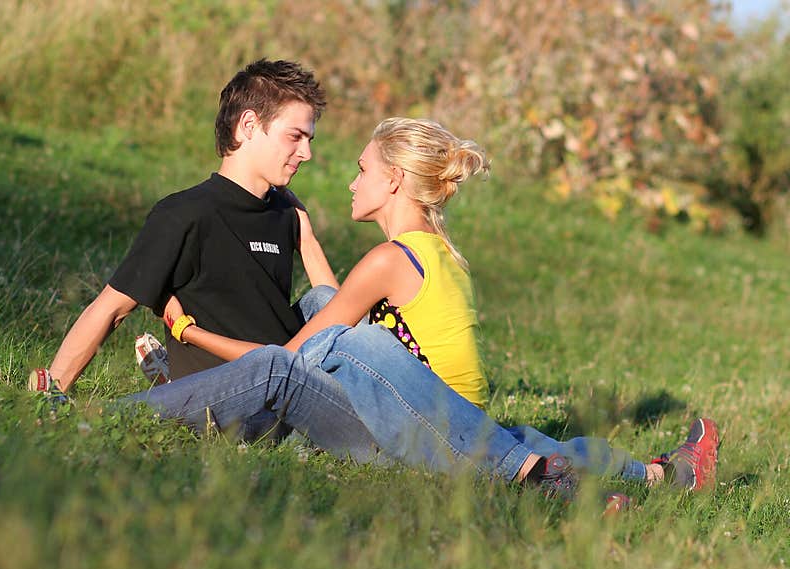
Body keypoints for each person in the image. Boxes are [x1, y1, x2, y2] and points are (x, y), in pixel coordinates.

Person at [123, 117, 720, 501]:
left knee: (340, 344)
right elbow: (331, 305)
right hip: (458, 420)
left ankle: (133, 411)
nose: (352, 183)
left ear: (395, 182)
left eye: (363, 171)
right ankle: (660, 475)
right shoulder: (439, 257)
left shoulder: (388, 261)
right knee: (325, 309)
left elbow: (293, 358)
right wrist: (302, 232)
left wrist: (189, 330)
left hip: (420, 434)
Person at [29, 59, 334, 408]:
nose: (306, 153)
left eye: (309, 139)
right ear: (248, 125)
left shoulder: (285, 214)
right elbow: (111, 308)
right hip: (221, 396)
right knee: (283, 356)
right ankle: (127, 405)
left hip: (284, 387)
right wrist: (54, 387)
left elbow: (339, 319)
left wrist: (306, 236)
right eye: (295, 136)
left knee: (323, 304)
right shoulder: (184, 214)